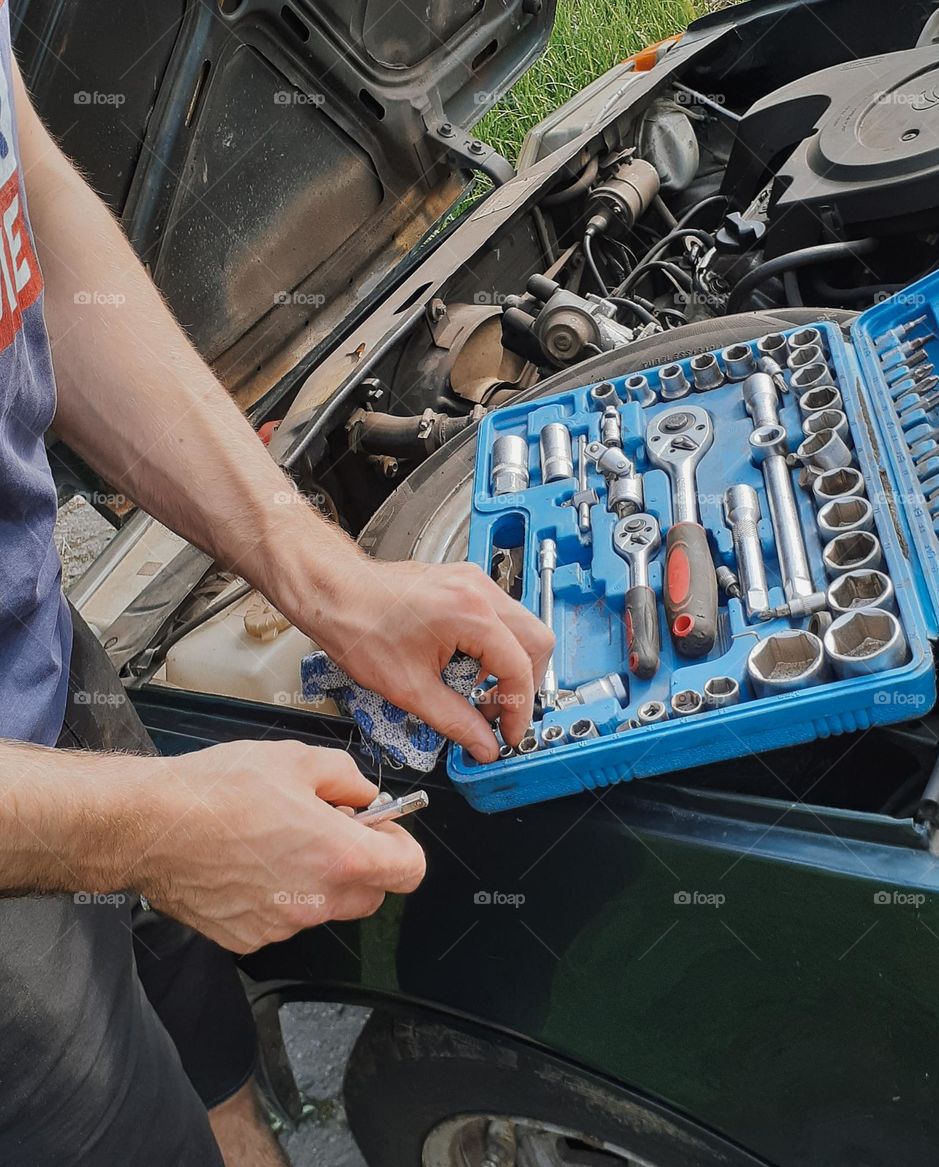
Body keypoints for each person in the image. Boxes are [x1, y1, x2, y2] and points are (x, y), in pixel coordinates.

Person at [0, 6, 552, 1164]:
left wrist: (328, 579)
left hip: (40, 652)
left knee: (198, 1030)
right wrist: (146, 834)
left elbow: (29, 195)